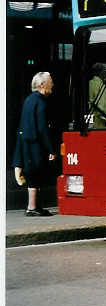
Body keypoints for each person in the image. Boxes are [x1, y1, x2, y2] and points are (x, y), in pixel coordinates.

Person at [13, 72, 59, 216]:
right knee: (36, 176)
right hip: (35, 145)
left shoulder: (29, 100)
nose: (52, 84)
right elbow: (42, 128)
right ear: (42, 85)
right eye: (50, 81)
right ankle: (32, 207)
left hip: (27, 143)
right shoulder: (40, 102)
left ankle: (34, 206)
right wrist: (51, 149)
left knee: (34, 176)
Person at [87, 62, 106, 128]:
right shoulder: (98, 85)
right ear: (101, 72)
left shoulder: (92, 83)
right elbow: (102, 107)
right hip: (100, 124)